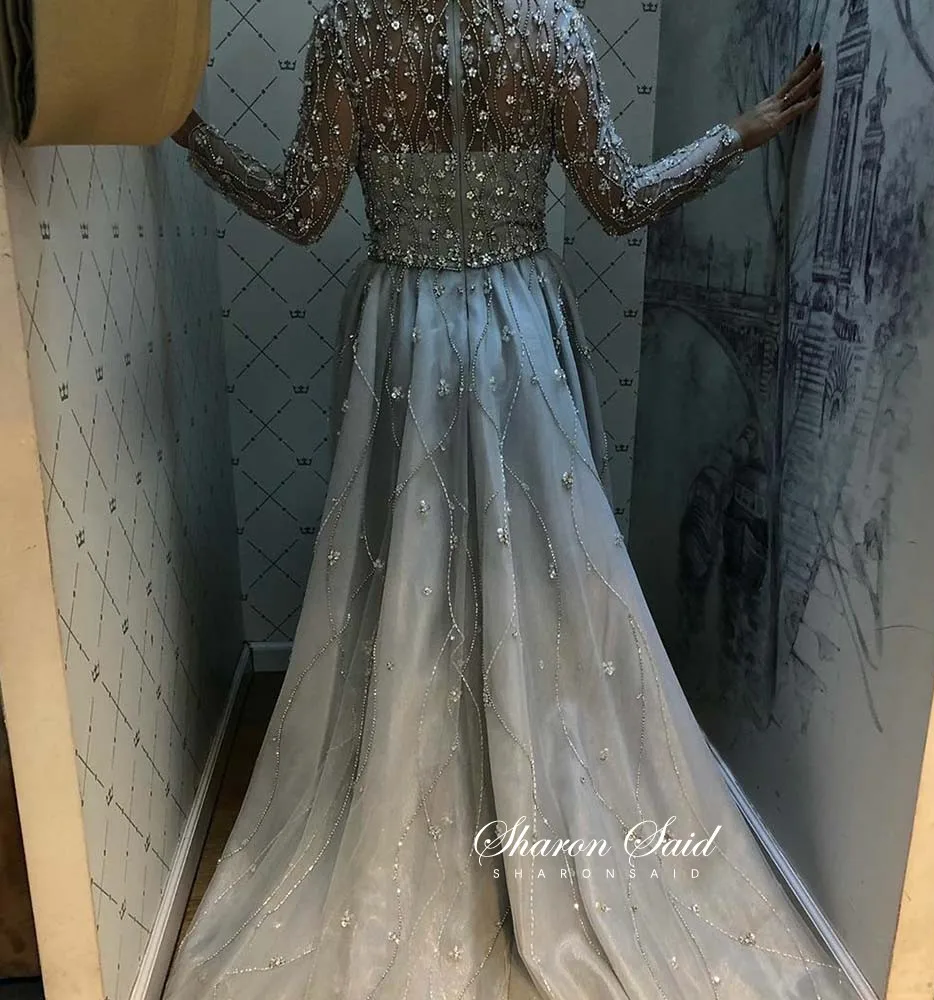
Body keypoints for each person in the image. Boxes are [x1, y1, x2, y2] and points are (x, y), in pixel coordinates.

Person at [164, 2, 839, 997]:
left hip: (404, 323)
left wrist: (192, 133)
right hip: (517, 318)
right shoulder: (552, 25)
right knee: (543, 559)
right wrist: (734, 133)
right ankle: (540, 780)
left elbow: (301, 212)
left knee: (413, 556)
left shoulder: (350, 28)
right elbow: (616, 201)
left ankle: (417, 787)